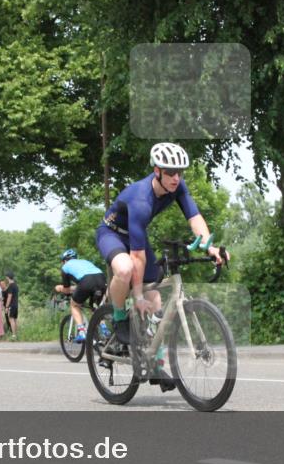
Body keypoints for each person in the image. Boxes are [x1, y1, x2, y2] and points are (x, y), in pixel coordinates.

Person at [95, 142, 228, 358]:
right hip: (112, 233)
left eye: (180, 172)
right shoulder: (141, 199)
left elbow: (194, 217)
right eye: (171, 173)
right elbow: (137, 257)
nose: (176, 178)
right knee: (125, 269)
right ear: (157, 171)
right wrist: (138, 296)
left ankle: (155, 362)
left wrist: (210, 247)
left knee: (156, 299)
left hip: (136, 234)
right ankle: (119, 318)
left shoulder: (178, 186)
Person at [55, 249, 107, 343]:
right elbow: (84, 283)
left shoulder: (65, 267)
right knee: (95, 308)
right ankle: (104, 329)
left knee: (74, 305)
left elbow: (67, 289)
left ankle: (81, 332)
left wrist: (59, 288)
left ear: (65, 260)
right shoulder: (85, 261)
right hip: (101, 279)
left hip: (86, 281)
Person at [3, 272, 19, 339]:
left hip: (11, 305)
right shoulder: (16, 285)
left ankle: (14, 335)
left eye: (6, 277)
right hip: (16, 305)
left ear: (8, 277)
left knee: (11, 319)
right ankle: (16, 334)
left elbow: (9, 297)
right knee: (15, 320)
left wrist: (6, 307)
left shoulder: (11, 286)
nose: (6, 278)